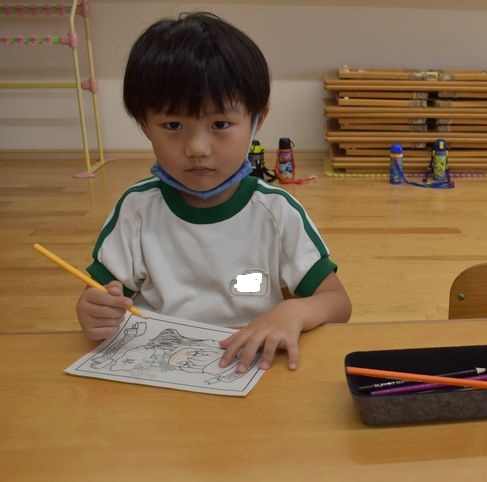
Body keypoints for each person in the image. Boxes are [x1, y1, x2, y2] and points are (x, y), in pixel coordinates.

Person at [75, 12, 351, 372]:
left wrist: (294, 311)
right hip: (156, 369)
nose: (197, 148)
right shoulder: (137, 210)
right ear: (144, 125)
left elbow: (337, 302)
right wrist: (94, 309)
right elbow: (98, 294)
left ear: (257, 120)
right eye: (172, 125)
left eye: (220, 124)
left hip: (249, 368)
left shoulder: (276, 212)